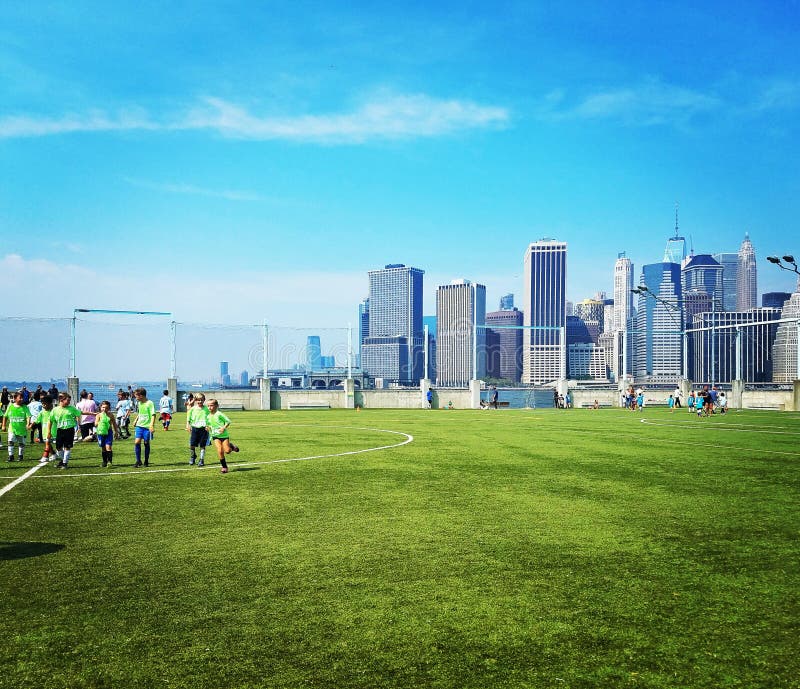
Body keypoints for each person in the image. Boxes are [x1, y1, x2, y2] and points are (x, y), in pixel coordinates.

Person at [205, 399, 239, 474]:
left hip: (224, 436)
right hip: (215, 436)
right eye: (208, 406)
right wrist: (207, 428)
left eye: (211, 405)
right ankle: (224, 467)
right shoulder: (208, 416)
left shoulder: (219, 414)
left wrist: (223, 427)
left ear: (216, 406)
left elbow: (228, 421)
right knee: (220, 451)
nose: (209, 407)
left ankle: (231, 446)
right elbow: (208, 424)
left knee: (227, 451)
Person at [50, 392, 82, 468]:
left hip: (69, 430)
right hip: (60, 430)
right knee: (58, 447)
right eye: (67, 400)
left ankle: (65, 463)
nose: (68, 402)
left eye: (69, 401)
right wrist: (49, 431)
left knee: (67, 447)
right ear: (61, 400)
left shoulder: (72, 408)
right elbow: (50, 420)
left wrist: (79, 425)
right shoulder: (55, 410)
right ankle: (62, 460)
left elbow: (79, 414)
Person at [3, 392, 32, 462]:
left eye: (22, 398)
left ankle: (20, 456)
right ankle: (11, 456)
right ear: (15, 398)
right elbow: (5, 416)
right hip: (12, 428)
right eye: (20, 398)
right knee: (10, 441)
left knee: (21, 444)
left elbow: (28, 416)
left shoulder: (25, 407)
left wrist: (28, 424)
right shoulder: (10, 406)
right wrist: (3, 425)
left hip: (22, 429)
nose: (22, 399)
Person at [132, 388, 156, 468]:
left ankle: (146, 460)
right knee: (137, 442)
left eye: (136, 396)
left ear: (141, 396)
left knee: (146, 443)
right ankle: (138, 461)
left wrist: (151, 425)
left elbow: (153, 415)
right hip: (139, 426)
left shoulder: (150, 403)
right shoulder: (139, 403)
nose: (136, 398)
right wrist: (136, 420)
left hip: (147, 427)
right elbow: (140, 413)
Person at [94, 401, 120, 468]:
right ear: (100, 407)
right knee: (103, 448)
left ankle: (110, 462)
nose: (104, 409)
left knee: (108, 447)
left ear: (109, 408)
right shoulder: (98, 415)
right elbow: (95, 424)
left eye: (106, 408)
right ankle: (104, 462)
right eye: (103, 407)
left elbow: (114, 423)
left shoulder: (111, 415)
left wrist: (116, 432)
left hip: (109, 432)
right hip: (101, 433)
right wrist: (101, 421)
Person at [186, 393, 209, 466]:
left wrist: (208, 426)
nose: (200, 402)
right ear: (196, 400)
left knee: (202, 445)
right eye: (198, 400)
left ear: (204, 400)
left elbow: (209, 418)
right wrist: (188, 425)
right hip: (194, 429)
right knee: (192, 444)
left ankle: (201, 460)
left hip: (204, 429)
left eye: (201, 400)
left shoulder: (206, 409)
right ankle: (193, 456)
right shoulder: (193, 409)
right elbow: (188, 417)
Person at [38, 395, 55, 462]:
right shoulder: (42, 412)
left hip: (53, 431)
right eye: (42, 404)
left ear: (50, 404)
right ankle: (54, 454)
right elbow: (37, 420)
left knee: (47, 443)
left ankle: (45, 457)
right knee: (48, 443)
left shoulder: (53, 412)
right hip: (44, 432)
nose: (43, 405)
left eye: (45, 404)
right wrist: (31, 425)